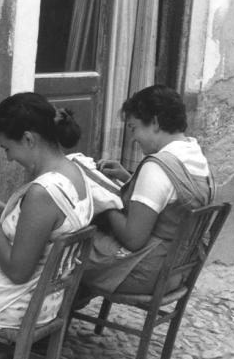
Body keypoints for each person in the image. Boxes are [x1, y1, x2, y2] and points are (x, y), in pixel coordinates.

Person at [0, 92, 94, 346]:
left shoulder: (43, 192)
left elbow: (17, 272)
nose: (8, 158)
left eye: (7, 148)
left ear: (28, 139)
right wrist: (3, 210)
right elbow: (43, 229)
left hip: (26, 299)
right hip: (47, 293)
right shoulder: (73, 170)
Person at [77, 84, 215, 299]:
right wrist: (128, 178)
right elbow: (171, 197)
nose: (133, 138)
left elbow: (133, 239)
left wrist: (106, 201)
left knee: (66, 244)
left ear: (155, 123)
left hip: (146, 272)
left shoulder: (156, 167)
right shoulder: (193, 154)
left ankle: (53, 315)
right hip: (177, 271)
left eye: (133, 128)